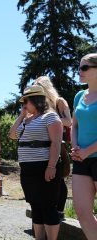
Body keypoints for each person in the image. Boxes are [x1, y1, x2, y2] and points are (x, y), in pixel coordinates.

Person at [9, 85, 63, 240]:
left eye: (26, 102)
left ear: (36, 100)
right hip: (28, 168)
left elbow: (56, 143)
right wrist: (21, 116)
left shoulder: (50, 117)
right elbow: (12, 135)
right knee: (35, 206)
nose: (24, 105)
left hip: (44, 166)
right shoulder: (26, 120)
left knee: (48, 206)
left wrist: (51, 166)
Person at [33, 76, 72, 220]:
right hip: (41, 145)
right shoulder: (39, 104)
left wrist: (49, 120)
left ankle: (59, 211)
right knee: (43, 180)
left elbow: (69, 121)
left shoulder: (59, 102)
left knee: (59, 180)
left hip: (58, 145)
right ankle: (45, 213)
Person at [70, 53, 97, 239]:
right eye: (79, 67)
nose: (79, 71)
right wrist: (75, 147)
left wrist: (88, 151)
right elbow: (74, 125)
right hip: (81, 160)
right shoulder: (79, 95)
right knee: (82, 212)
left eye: (84, 67)